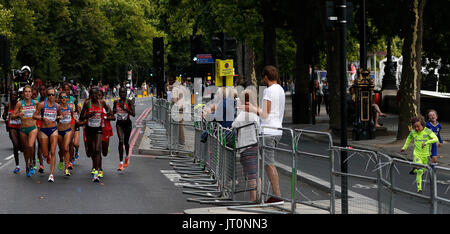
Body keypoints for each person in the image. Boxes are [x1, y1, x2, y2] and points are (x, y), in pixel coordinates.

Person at [246, 65, 284, 203]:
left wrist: (251, 109)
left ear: (266, 77)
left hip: (268, 130)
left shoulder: (269, 91)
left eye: (263, 76)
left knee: (269, 163)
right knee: (268, 163)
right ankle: (274, 194)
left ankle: (277, 194)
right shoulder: (280, 89)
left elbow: (265, 114)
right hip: (277, 129)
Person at [232, 89, 260, 202]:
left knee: (251, 176)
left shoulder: (244, 113)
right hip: (254, 145)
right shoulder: (254, 113)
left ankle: (253, 200)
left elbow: (234, 125)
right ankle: (258, 198)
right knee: (255, 174)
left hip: (246, 146)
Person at [80, 87, 112, 182]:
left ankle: (96, 173)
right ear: (90, 95)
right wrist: (88, 116)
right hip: (89, 130)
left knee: (98, 149)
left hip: (99, 129)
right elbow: (81, 117)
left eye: (96, 94)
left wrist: (108, 116)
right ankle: (94, 167)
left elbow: (109, 111)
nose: (95, 96)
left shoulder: (101, 103)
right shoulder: (87, 103)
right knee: (92, 151)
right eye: (92, 94)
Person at [401, 115, 438, 193]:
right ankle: (419, 188)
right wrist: (404, 147)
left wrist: (427, 142)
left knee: (421, 170)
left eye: (418, 126)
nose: (417, 128)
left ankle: (415, 170)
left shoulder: (427, 131)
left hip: (426, 155)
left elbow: (435, 139)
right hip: (417, 154)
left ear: (423, 125)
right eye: (415, 127)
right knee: (420, 171)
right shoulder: (413, 132)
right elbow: (409, 138)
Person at [33, 87, 61, 182]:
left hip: (53, 129)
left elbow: (60, 116)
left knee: (53, 151)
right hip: (44, 130)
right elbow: (34, 116)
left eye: (53, 95)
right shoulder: (42, 105)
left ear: (55, 95)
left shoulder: (57, 106)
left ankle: (51, 174)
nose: (51, 96)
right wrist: (42, 118)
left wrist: (59, 116)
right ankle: (46, 156)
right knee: (45, 153)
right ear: (47, 96)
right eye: (49, 95)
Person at [12, 85, 39, 177]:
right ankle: (27, 165)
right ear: (23, 94)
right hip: (23, 129)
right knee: (25, 148)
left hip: (33, 128)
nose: (27, 93)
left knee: (31, 146)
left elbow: (42, 112)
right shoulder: (20, 103)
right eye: (26, 92)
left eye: (29, 91)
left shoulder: (35, 103)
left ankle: (31, 163)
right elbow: (12, 115)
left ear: (32, 93)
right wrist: (19, 114)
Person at [113, 87, 135, 171]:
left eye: (124, 92)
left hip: (127, 124)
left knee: (126, 142)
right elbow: (113, 111)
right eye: (121, 92)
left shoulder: (129, 102)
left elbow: (133, 114)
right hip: (119, 124)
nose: (122, 94)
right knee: (121, 141)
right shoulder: (116, 102)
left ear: (126, 93)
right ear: (119, 93)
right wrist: (114, 110)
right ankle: (121, 163)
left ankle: (127, 156)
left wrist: (125, 109)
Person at [2, 91, 22, 173]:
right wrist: (4, 116)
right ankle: (17, 165)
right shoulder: (8, 105)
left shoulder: (20, 104)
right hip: (12, 127)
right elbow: (4, 115)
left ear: (17, 96)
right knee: (15, 145)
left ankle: (30, 163)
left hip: (21, 127)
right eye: (11, 95)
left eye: (14, 95)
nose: (13, 96)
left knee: (23, 146)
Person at [57, 91, 75, 177]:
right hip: (59, 131)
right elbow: (53, 119)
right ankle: (61, 159)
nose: (64, 99)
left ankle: (66, 169)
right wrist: (58, 116)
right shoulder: (57, 108)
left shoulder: (70, 107)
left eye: (65, 97)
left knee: (66, 148)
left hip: (68, 130)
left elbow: (72, 117)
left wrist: (73, 127)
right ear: (59, 99)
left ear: (67, 99)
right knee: (61, 149)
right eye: (62, 97)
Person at [98, 89, 115, 178]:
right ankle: (100, 169)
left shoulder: (106, 105)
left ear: (102, 96)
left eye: (100, 95)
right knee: (98, 150)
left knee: (104, 152)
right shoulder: (91, 106)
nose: (98, 97)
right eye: (96, 95)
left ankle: (106, 148)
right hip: (97, 130)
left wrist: (106, 117)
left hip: (106, 130)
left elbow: (113, 117)